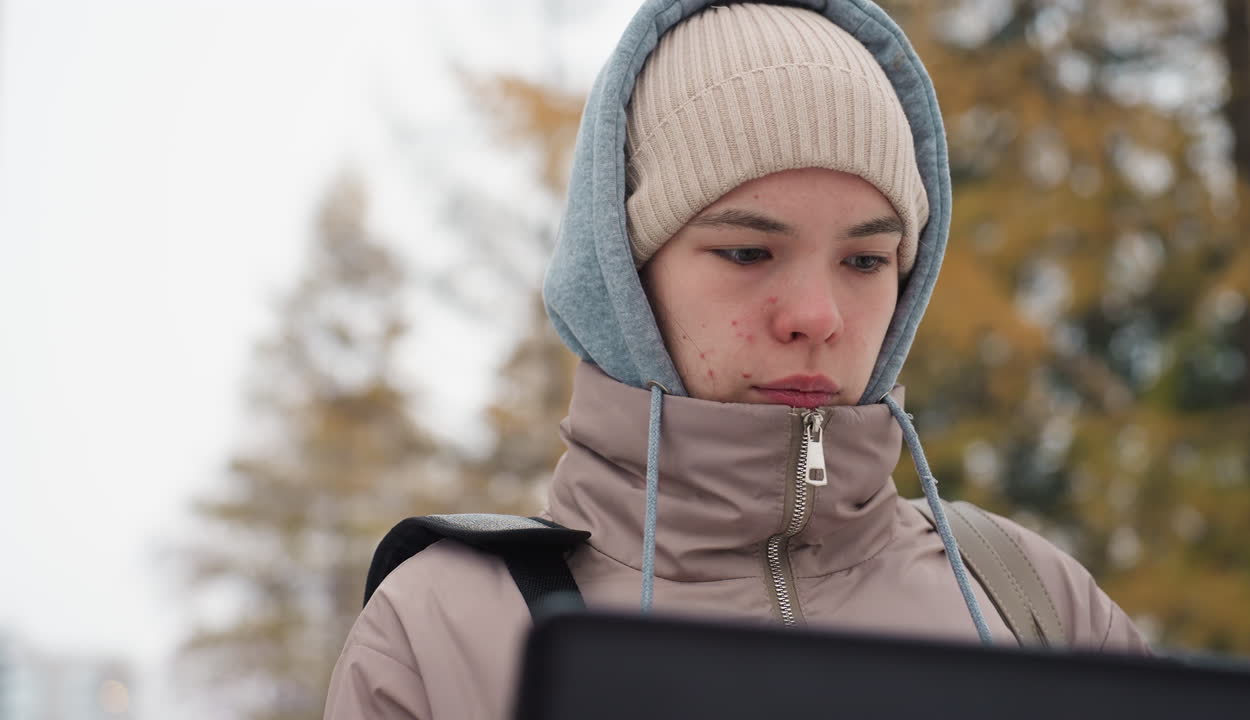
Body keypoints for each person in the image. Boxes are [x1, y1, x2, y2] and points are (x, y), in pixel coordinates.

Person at [324, 1, 1149, 717]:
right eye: (748, 252)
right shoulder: (443, 631)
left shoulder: (1028, 600)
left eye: (865, 261)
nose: (817, 317)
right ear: (627, 277)